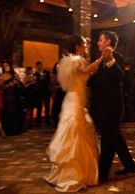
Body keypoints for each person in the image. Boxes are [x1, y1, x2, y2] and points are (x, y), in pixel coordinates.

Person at [44, 35, 103, 192]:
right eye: (84, 44)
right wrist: (102, 58)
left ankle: (64, 173)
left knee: (73, 134)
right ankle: (73, 176)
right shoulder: (77, 60)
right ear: (77, 47)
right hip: (76, 101)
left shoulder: (65, 62)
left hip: (71, 99)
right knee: (75, 135)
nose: (86, 46)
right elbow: (85, 70)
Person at [89, 30, 135, 182]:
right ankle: (130, 166)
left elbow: (120, 77)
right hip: (103, 106)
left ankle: (102, 174)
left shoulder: (117, 58)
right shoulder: (100, 60)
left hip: (112, 107)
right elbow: (95, 82)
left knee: (108, 141)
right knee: (115, 138)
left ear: (108, 42)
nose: (98, 42)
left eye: (100, 40)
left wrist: (110, 60)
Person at [0, 60, 24, 135]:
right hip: (7, 95)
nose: (5, 67)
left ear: (10, 66)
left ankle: (16, 130)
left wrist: (16, 83)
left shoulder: (14, 74)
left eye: (7, 65)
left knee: (15, 112)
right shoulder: (2, 75)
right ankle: (8, 130)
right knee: (8, 112)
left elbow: (20, 83)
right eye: (4, 66)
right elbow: (1, 87)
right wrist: (8, 85)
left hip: (15, 95)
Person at [34, 61, 51, 126]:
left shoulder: (46, 73)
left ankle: (47, 121)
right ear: (36, 67)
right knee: (39, 107)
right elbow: (35, 82)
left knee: (47, 107)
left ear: (42, 66)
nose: (39, 67)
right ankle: (38, 122)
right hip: (38, 93)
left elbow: (48, 81)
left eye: (40, 66)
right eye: (38, 66)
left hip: (46, 92)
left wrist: (43, 79)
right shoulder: (35, 74)